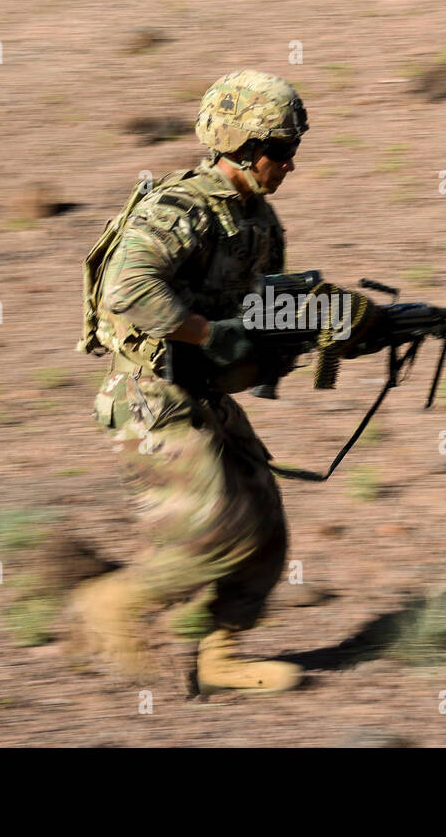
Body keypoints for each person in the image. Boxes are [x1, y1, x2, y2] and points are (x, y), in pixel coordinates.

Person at [70, 69, 316, 694]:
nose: (289, 164)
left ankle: (219, 655)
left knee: (262, 517)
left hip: (200, 391)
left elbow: (261, 309)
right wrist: (206, 334)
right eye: (282, 150)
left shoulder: (259, 222)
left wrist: (338, 324)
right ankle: (112, 603)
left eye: (293, 151)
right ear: (244, 146)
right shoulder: (182, 209)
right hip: (150, 393)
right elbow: (129, 289)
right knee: (216, 528)